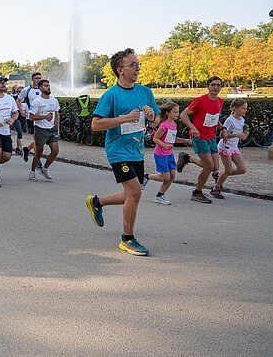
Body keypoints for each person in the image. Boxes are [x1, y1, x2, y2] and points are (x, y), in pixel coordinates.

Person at [84, 48, 160, 256]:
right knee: (135, 192)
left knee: (131, 194)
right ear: (120, 70)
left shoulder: (145, 92)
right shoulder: (111, 95)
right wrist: (123, 119)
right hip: (118, 151)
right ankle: (127, 239)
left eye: (138, 64)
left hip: (137, 151)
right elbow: (96, 125)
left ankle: (96, 201)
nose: (137, 68)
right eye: (133, 65)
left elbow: (157, 119)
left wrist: (153, 116)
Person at [178, 76, 224, 203]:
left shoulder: (220, 101)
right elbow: (183, 114)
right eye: (213, 84)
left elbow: (215, 117)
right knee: (209, 166)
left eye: (218, 85)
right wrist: (193, 128)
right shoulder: (200, 100)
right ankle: (197, 192)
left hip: (211, 137)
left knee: (215, 167)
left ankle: (187, 158)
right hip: (199, 137)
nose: (216, 87)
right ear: (208, 86)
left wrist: (222, 128)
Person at [143, 101, 191, 205]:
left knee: (172, 176)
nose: (177, 114)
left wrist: (184, 140)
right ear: (168, 113)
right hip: (160, 154)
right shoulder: (164, 125)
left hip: (169, 154)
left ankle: (160, 196)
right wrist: (164, 145)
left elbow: (173, 139)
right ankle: (146, 176)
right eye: (175, 112)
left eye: (178, 112)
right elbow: (155, 139)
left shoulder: (174, 125)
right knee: (166, 177)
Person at [212, 98, 249, 199]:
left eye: (246, 108)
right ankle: (216, 188)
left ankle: (219, 175)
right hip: (226, 147)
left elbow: (242, 134)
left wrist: (245, 134)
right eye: (243, 108)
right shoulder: (230, 120)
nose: (245, 110)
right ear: (235, 108)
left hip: (234, 147)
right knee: (228, 170)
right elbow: (222, 135)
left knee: (242, 169)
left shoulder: (242, 120)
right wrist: (238, 135)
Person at [27, 79, 60, 181]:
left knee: (55, 151)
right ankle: (32, 172)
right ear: (40, 88)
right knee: (39, 153)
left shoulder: (54, 100)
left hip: (52, 130)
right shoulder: (37, 101)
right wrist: (44, 117)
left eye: (49, 86)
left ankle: (45, 169)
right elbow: (31, 117)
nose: (48, 87)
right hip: (40, 129)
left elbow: (57, 114)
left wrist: (57, 128)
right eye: (46, 86)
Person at [18, 72, 43, 162]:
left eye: (40, 78)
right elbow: (18, 100)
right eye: (36, 78)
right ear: (32, 79)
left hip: (42, 117)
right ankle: (38, 160)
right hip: (31, 117)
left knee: (41, 141)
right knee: (37, 139)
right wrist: (21, 110)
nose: (38, 80)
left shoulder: (43, 89)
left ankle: (27, 149)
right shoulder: (27, 90)